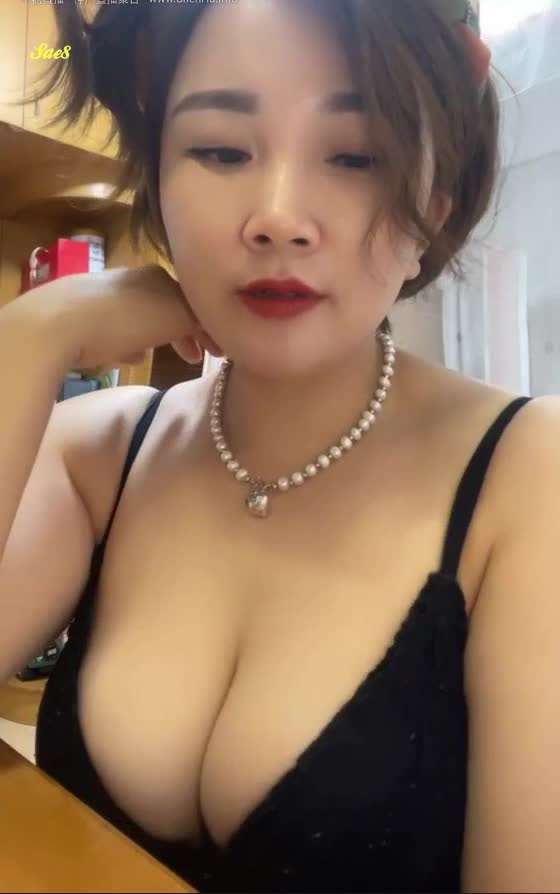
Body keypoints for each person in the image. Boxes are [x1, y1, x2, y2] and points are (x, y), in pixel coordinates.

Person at [1, 1, 559, 891]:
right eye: (222, 150)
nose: (277, 216)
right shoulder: (98, 452)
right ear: (158, 177)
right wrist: (32, 336)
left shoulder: (528, 477)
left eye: (355, 155)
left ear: (435, 202)